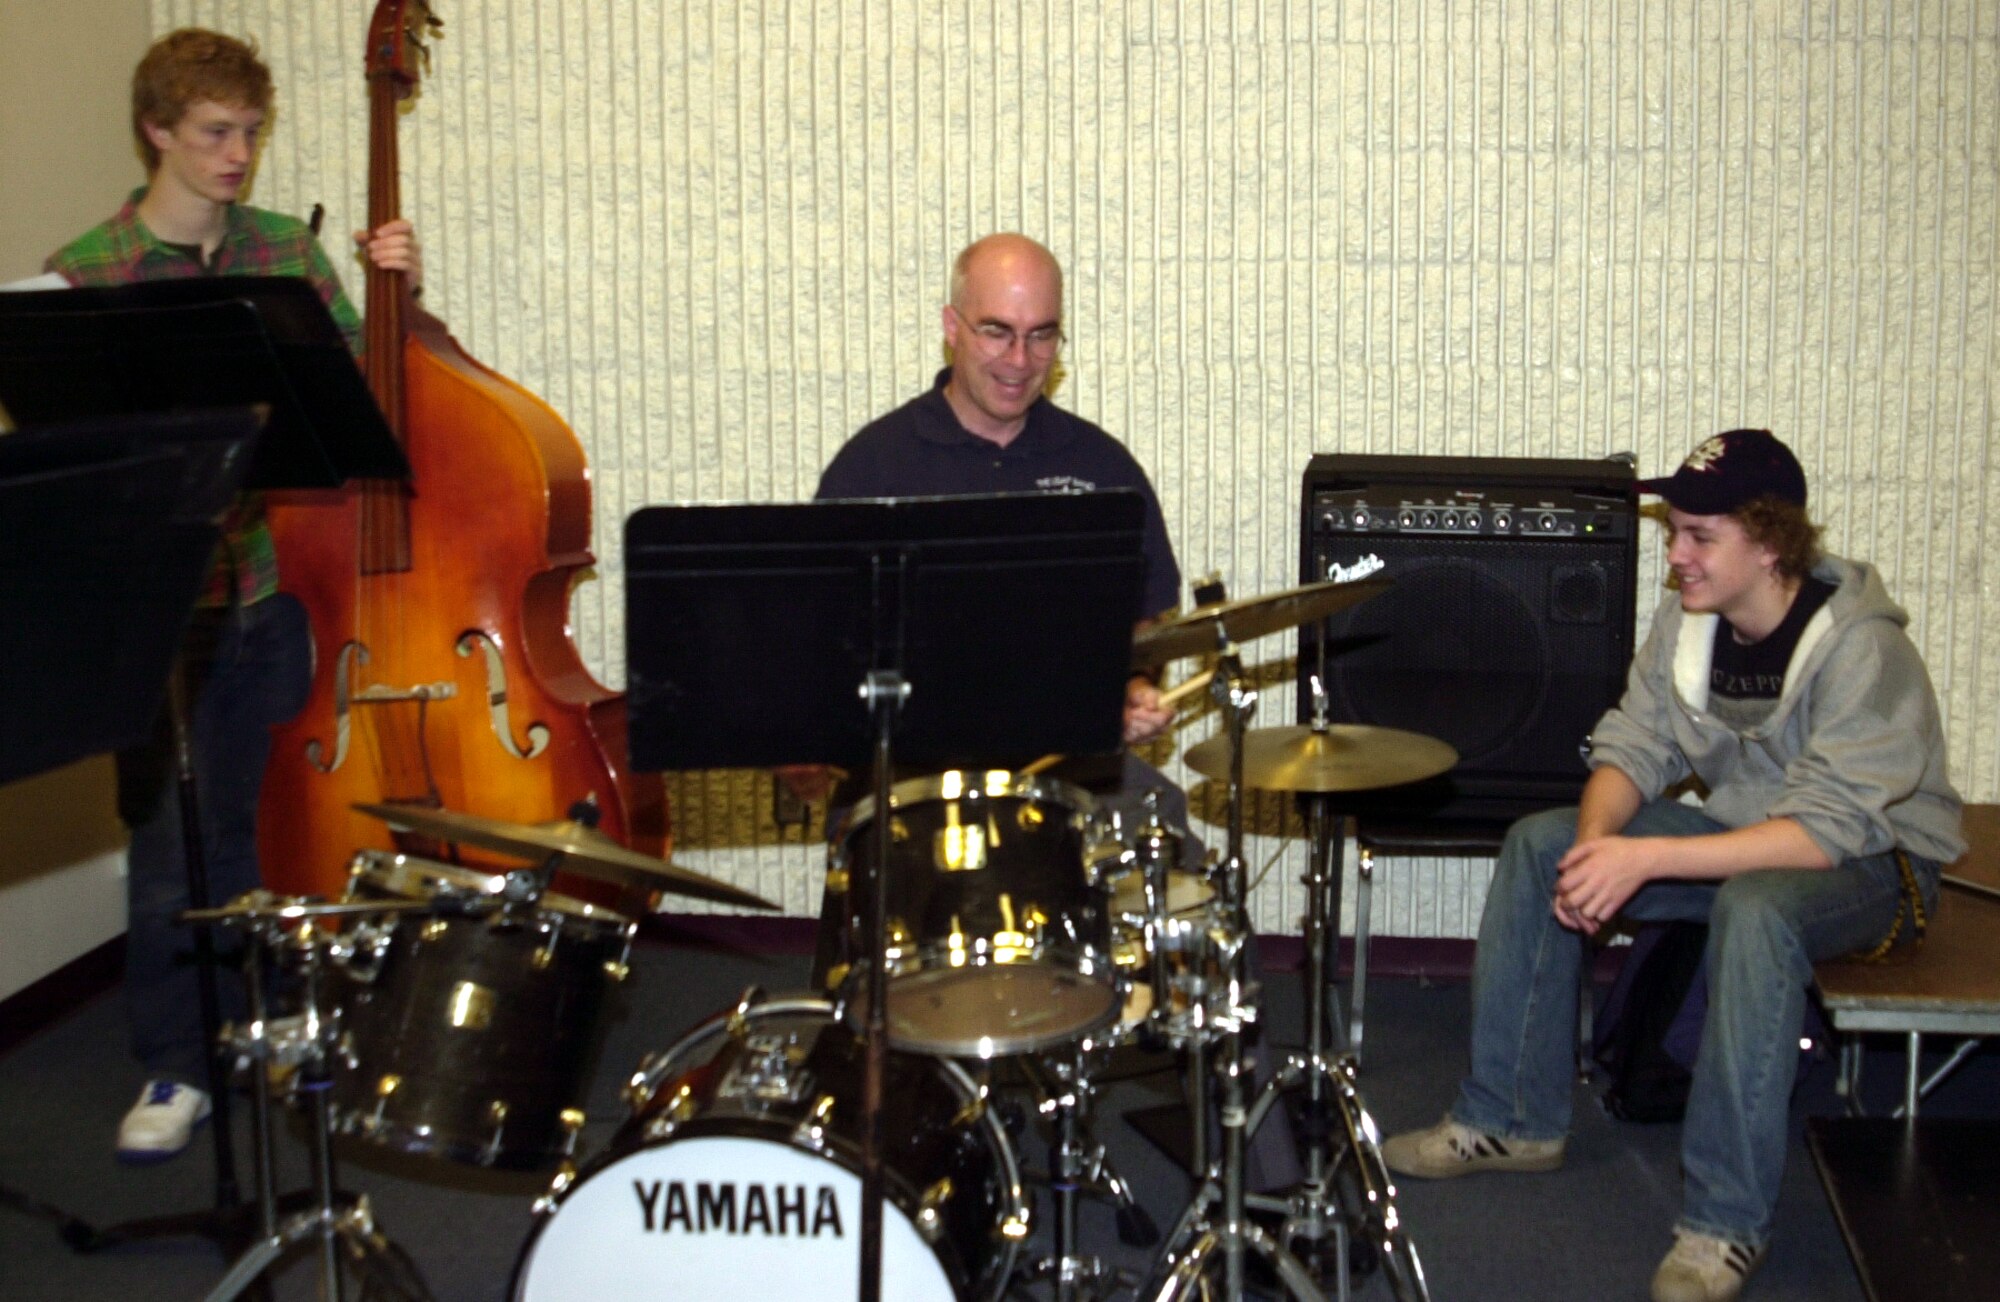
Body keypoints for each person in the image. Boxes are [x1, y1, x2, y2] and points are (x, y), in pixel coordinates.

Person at [1380, 428, 1965, 1302]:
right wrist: (1594, 848)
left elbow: (1826, 834)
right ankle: (1509, 1119)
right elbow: (1633, 744)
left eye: (1700, 537)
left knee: (1758, 911)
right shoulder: (1689, 622)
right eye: (1673, 533)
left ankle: (1724, 1226)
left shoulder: (1858, 647)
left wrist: (1644, 854)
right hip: (1752, 839)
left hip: (1880, 871)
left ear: (1770, 544)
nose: (1676, 558)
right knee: (1541, 845)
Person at [46, 27, 421, 1163]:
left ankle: (261, 1029)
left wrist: (393, 290)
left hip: (268, 593)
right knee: (169, 850)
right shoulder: (87, 272)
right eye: (215, 133)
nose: (238, 155)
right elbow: (76, 466)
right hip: (162, 620)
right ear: (157, 131)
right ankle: (174, 1063)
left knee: (259, 831)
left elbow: (364, 400)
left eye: (252, 133)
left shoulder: (279, 256)